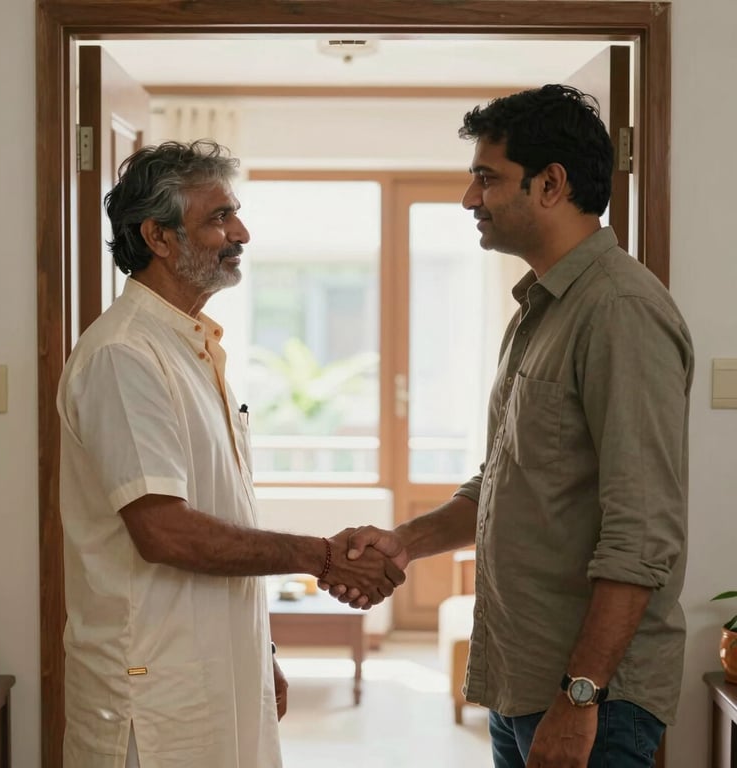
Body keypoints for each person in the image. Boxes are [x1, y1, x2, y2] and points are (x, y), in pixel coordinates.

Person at [328, 85, 693, 768]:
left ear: (550, 184)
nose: (470, 198)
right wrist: (403, 542)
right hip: (521, 685)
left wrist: (579, 698)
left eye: (487, 178)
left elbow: (642, 533)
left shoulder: (619, 312)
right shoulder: (541, 310)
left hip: (590, 702)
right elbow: (507, 481)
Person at [56, 139, 404, 768]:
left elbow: (225, 510)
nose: (240, 232)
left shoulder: (195, 348)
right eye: (218, 218)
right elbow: (165, 532)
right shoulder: (125, 355)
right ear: (158, 238)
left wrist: (261, 649)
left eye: (234, 213)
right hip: (155, 699)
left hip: (216, 674)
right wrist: (319, 556)